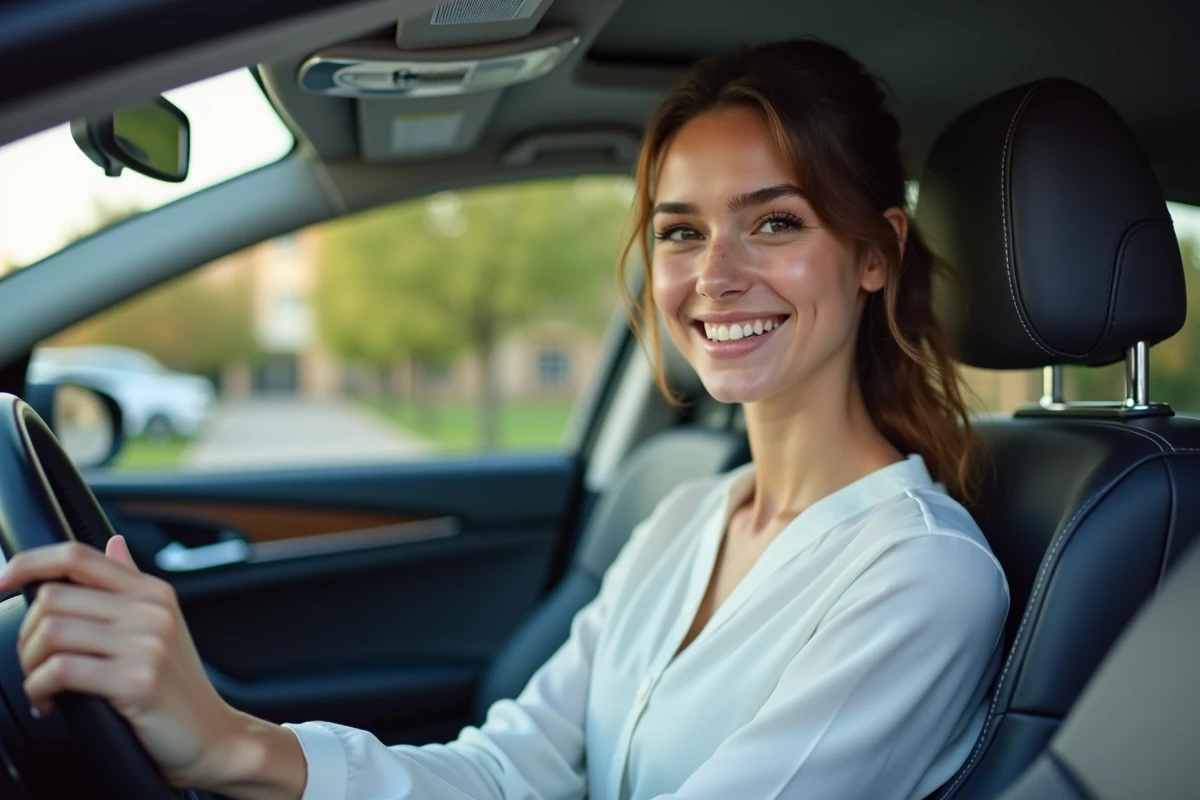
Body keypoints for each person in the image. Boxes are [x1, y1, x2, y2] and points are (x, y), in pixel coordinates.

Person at [0, 39, 1008, 800]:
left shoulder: (922, 575)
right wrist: (231, 740)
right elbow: (510, 764)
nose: (715, 275)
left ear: (877, 253)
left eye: (775, 222)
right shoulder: (688, 516)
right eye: (680, 231)